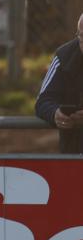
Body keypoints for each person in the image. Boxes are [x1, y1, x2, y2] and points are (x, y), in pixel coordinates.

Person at [34, 12, 83, 154]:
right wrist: (55, 114)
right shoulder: (64, 56)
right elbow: (43, 101)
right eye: (82, 36)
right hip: (74, 151)